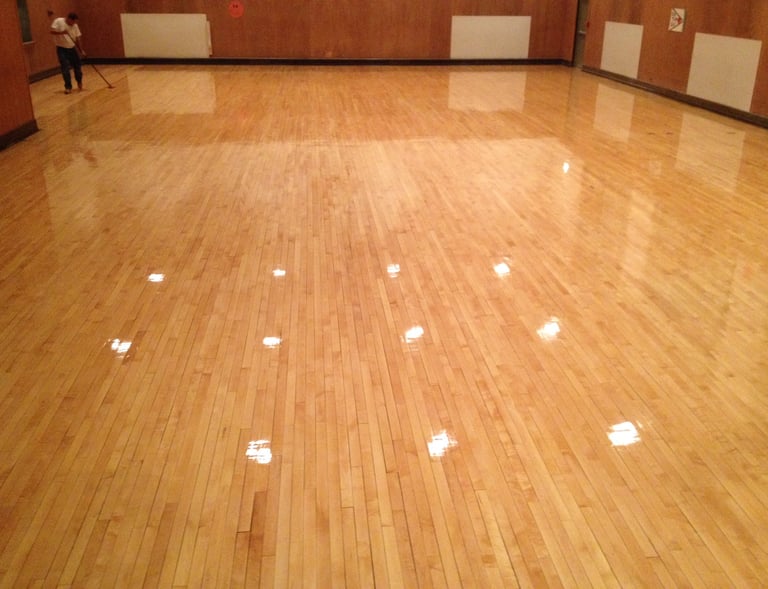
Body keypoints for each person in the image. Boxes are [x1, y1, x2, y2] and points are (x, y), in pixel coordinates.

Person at [50, 12, 85, 94]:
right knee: (65, 68)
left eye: (75, 22)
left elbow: (77, 38)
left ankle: (79, 81)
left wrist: (81, 50)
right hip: (61, 49)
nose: (73, 24)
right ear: (68, 19)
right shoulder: (58, 21)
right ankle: (68, 87)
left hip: (72, 48)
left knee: (77, 67)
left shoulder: (75, 26)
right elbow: (51, 31)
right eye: (72, 22)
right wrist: (61, 33)